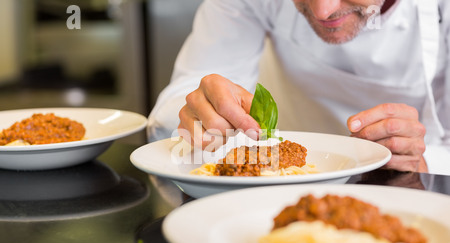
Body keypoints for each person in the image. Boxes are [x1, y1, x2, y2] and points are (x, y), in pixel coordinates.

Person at [147, 0, 450, 175]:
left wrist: (425, 160)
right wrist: (199, 114)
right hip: (281, 185)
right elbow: (168, 119)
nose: (322, 10)